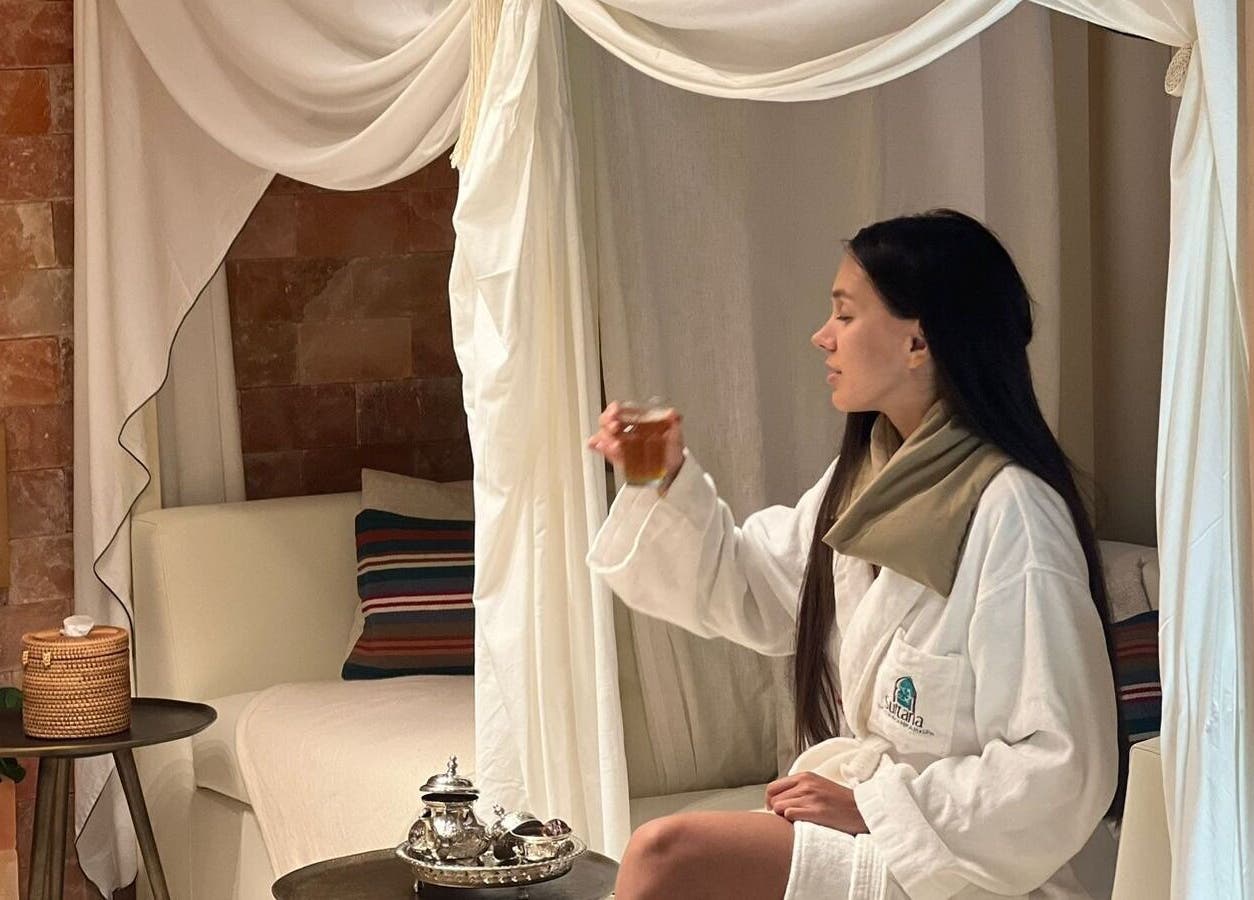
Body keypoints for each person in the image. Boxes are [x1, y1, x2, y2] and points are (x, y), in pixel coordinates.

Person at [585, 209, 1124, 900]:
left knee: (666, 851)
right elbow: (744, 586)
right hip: (888, 838)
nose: (822, 337)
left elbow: (1063, 764)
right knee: (673, 860)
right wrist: (658, 476)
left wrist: (876, 807)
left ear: (918, 341)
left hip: (967, 867)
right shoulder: (865, 485)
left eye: (844, 314)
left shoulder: (1013, 514)